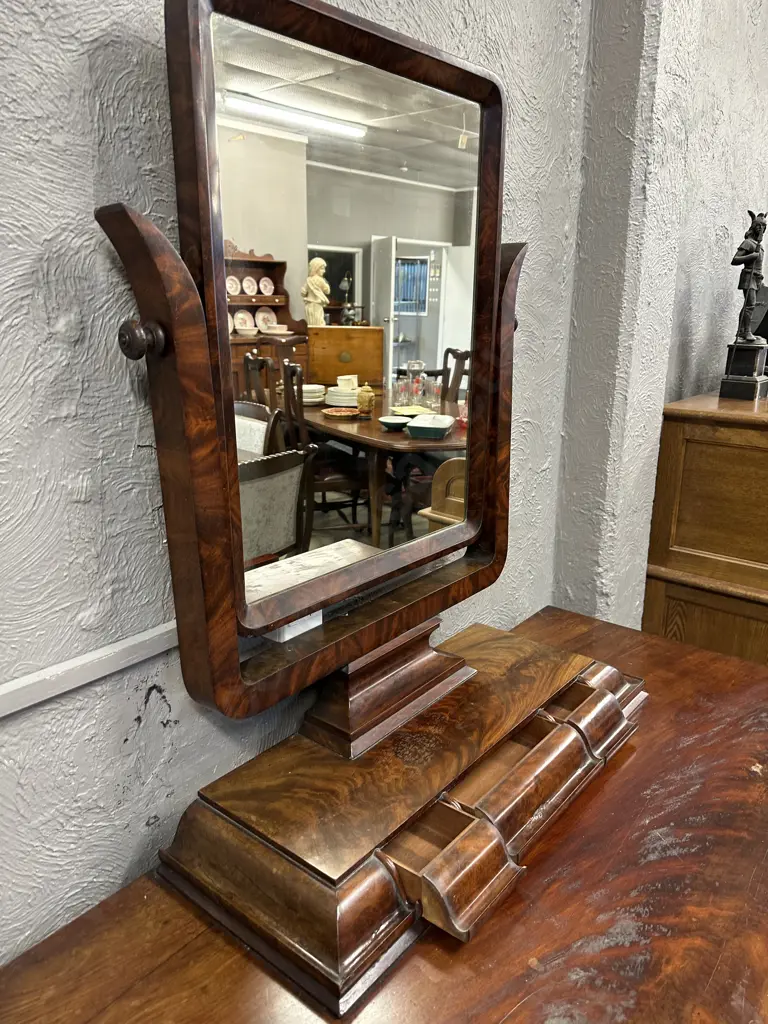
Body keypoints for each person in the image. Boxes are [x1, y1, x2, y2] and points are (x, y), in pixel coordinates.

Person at [732, 210, 767, 341]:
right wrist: (751, 256)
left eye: (764, 226)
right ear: (754, 226)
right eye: (759, 226)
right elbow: (735, 260)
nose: (762, 229)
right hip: (749, 277)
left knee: (750, 305)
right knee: (750, 304)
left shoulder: (759, 245)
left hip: (757, 278)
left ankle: (743, 330)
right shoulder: (748, 243)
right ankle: (745, 331)